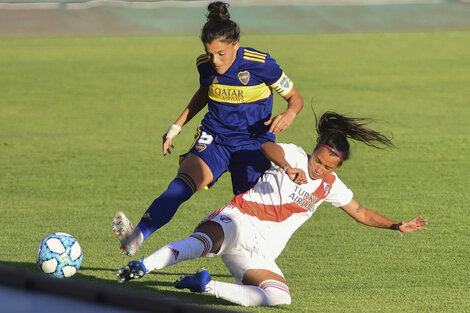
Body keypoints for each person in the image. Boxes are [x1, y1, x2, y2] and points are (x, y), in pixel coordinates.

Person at [115, 111, 428, 307]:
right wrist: (285, 167)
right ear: (315, 148)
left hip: (258, 253)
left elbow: (360, 212)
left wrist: (396, 225)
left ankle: (206, 285)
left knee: (280, 297)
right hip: (237, 219)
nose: (318, 168)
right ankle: (144, 266)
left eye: (327, 166)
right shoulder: (292, 155)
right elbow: (268, 146)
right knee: (202, 244)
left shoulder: (332, 186)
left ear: (338, 166)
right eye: (318, 159)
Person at [112, 1, 304, 256]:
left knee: (249, 210)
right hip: (216, 138)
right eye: (209, 53)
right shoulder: (205, 64)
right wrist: (176, 126)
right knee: (181, 186)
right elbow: (204, 93)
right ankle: (138, 236)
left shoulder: (261, 64)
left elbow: (295, 98)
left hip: (253, 144)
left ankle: (255, 265)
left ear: (236, 45)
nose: (214, 60)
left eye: (221, 54)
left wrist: (290, 113)